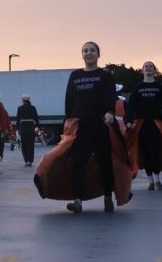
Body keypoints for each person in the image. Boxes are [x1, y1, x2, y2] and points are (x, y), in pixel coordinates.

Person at [34, 41, 131, 214]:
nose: (89, 53)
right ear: (82, 54)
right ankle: (78, 200)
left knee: (105, 161)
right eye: (85, 50)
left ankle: (108, 197)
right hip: (81, 125)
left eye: (92, 50)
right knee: (79, 162)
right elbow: (69, 99)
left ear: (98, 54)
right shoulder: (75, 76)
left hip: (101, 124)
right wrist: (68, 121)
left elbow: (110, 95)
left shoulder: (105, 75)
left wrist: (109, 111)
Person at [125, 62, 162, 190]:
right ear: (142, 71)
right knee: (145, 152)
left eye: (150, 66)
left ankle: (157, 180)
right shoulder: (137, 88)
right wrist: (128, 121)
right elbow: (131, 107)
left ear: (154, 71)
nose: (148, 68)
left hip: (156, 124)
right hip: (141, 125)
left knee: (155, 151)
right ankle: (150, 181)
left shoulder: (160, 87)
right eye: (145, 66)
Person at [16, 95, 40, 167]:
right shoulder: (33, 108)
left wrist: (17, 129)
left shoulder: (20, 108)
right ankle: (30, 160)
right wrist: (37, 128)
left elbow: (18, 119)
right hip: (31, 127)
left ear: (23, 100)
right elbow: (36, 119)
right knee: (31, 144)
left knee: (24, 144)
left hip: (23, 127)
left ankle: (26, 160)